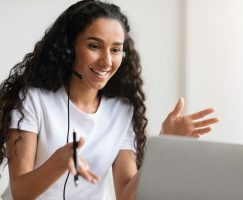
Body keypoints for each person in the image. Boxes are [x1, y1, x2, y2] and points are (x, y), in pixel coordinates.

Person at [0, 0, 219, 199]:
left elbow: (126, 195)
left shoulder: (122, 110)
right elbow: (20, 193)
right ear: (68, 49)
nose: (106, 61)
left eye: (115, 50)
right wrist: (59, 161)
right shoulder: (32, 100)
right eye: (94, 46)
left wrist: (165, 143)